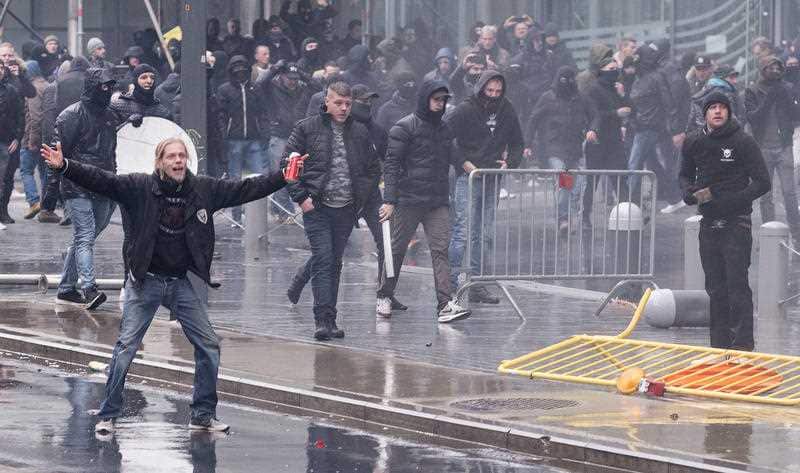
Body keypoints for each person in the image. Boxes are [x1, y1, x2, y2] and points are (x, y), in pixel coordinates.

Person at [41, 137, 299, 434]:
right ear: (160, 161)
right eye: (172, 156)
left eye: (182, 156)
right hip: (145, 281)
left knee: (209, 344)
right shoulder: (138, 188)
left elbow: (245, 189)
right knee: (126, 348)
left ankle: (202, 414)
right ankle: (109, 414)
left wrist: (283, 176)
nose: (178, 161)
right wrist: (65, 167)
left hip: (179, 283)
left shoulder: (203, 189)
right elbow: (101, 180)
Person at [283, 81, 381, 340]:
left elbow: (373, 168)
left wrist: (359, 198)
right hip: (317, 207)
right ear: (326, 101)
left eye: (348, 104)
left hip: (346, 208)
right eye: (338, 102)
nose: (344, 108)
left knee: (334, 262)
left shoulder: (359, 132)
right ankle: (322, 320)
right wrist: (301, 198)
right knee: (324, 259)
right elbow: (288, 165)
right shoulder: (306, 128)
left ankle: (330, 317)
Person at [679, 91, 770, 351]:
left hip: (736, 222)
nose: (718, 112)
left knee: (736, 286)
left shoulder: (743, 141)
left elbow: (763, 182)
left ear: (729, 112)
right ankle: (718, 349)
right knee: (715, 288)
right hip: (709, 222)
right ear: (705, 113)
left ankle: (742, 349)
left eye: (722, 108)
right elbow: (684, 175)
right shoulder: (694, 141)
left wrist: (736, 200)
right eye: (713, 108)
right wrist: (687, 192)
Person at [376, 80, 471, 322]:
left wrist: (467, 166)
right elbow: (392, 165)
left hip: (436, 200)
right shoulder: (404, 127)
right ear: (425, 99)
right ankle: (384, 294)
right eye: (436, 99)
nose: (440, 104)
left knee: (441, 250)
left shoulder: (444, 129)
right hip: (408, 200)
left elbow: (453, 152)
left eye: (443, 100)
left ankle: (444, 304)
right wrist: (390, 200)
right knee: (396, 250)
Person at [53, 68, 129, 309]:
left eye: (109, 87)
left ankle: (66, 287)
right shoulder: (72, 115)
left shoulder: (108, 115)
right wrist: (53, 190)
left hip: (103, 181)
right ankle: (88, 287)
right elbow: (58, 154)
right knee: (85, 235)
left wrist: (114, 182)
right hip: (77, 184)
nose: (106, 91)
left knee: (86, 236)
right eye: (103, 86)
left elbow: (112, 151)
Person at [446, 70, 524, 304]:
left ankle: (477, 285)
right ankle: (450, 284)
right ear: (481, 88)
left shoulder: (506, 109)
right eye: (489, 91)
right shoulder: (465, 109)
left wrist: (510, 164)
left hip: (492, 177)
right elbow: (444, 138)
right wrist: (462, 162)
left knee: (485, 233)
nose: (493, 95)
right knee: (463, 231)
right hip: (468, 177)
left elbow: (518, 142)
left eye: (498, 92)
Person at [527, 66, 592, 232]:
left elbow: (594, 114)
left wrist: (592, 129)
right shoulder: (548, 97)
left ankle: (566, 216)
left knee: (572, 185)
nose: (567, 84)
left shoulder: (579, 98)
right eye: (563, 80)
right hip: (554, 147)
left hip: (573, 147)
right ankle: (564, 218)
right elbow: (533, 119)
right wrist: (527, 144)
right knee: (564, 178)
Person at [745, 55, 800, 239]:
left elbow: (796, 116)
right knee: (766, 195)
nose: (775, 71)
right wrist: (769, 99)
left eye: (778, 68)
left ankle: (797, 234)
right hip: (763, 148)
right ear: (762, 69)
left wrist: (789, 95)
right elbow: (753, 119)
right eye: (771, 68)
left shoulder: (787, 88)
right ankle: (770, 235)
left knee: (789, 193)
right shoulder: (752, 91)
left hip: (784, 147)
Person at [217, 55, 272, 220]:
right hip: (234, 140)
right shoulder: (224, 90)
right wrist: (223, 137)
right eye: (237, 71)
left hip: (254, 138)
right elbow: (221, 115)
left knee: (259, 178)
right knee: (235, 179)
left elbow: (263, 113)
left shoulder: (255, 88)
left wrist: (265, 133)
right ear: (232, 72)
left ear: (248, 72)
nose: (240, 74)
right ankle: (236, 216)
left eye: (243, 71)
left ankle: (257, 216)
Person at [582, 56, 630, 219]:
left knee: (620, 180)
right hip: (597, 141)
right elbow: (593, 114)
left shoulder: (615, 88)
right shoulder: (593, 89)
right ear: (601, 71)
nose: (615, 72)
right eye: (610, 69)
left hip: (614, 141)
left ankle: (628, 214)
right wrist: (615, 113)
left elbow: (630, 108)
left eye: (616, 69)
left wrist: (623, 95)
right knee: (592, 182)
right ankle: (585, 216)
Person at [20, 61, 49, 220]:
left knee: (26, 170)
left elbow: (35, 116)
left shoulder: (34, 88)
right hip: (47, 136)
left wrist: (32, 140)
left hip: (33, 137)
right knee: (44, 172)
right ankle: (46, 206)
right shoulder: (48, 85)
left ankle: (33, 202)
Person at [0, 62, 24, 225]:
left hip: (7, 140)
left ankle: (3, 210)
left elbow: (20, 116)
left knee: (6, 178)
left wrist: (17, 137)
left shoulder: (11, 91)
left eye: (1, 68)